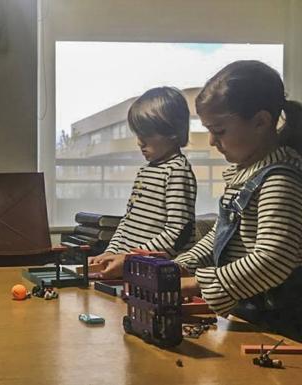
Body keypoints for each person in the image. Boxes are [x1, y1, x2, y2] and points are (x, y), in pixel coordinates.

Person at [173, 60, 302, 340]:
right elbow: (222, 236)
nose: (210, 141)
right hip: (251, 314)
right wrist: (180, 266)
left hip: (280, 326)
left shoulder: (280, 180)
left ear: (260, 122)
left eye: (219, 131)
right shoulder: (245, 175)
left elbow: (274, 258)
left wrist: (197, 283)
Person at [88, 87, 197, 277]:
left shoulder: (177, 170)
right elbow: (128, 221)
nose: (139, 142)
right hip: (134, 266)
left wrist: (130, 258)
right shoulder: (145, 171)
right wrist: (111, 252)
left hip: (159, 272)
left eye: (146, 135)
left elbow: (178, 233)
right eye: (138, 134)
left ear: (171, 132)